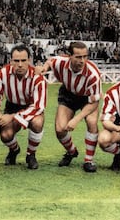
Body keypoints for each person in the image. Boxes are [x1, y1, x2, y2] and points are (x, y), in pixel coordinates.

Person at [35, 41, 101, 172]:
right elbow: (50, 61)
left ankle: (89, 161)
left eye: (85, 56)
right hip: (68, 93)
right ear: (69, 56)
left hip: (88, 99)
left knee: (92, 122)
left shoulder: (93, 75)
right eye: (78, 57)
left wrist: (77, 119)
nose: (82, 60)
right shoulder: (61, 62)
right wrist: (43, 68)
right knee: (60, 129)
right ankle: (71, 152)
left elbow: (95, 101)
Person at [0, 44, 47, 169]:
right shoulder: (3, 73)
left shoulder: (38, 77)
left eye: (23, 60)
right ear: (11, 61)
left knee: (37, 122)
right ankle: (14, 150)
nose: (20, 64)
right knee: (5, 135)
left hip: (31, 108)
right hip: (12, 106)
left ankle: (31, 155)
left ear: (29, 61)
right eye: (16, 61)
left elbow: (38, 106)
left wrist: (12, 117)